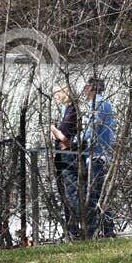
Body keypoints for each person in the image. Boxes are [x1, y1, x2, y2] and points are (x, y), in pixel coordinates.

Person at [74, 76, 116, 238]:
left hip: (96, 155)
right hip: (102, 154)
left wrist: (74, 142)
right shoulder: (105, 103)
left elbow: (91, 131)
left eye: (86, 85)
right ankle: (107, 229)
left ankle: (93, 231)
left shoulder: (97, 105)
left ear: (91, 87)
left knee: (92, 194)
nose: (84, 89)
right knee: (100, 192)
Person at [48, 86, 82, 235]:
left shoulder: (72, 111)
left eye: (57, 93)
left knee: (70, 191)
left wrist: (53, 129)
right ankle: (71, 228)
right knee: (65, 191)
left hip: (68, 156)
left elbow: (64, 137)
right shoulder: (66, 110)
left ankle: (74, 228)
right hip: (62, 155)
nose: (55, 96)